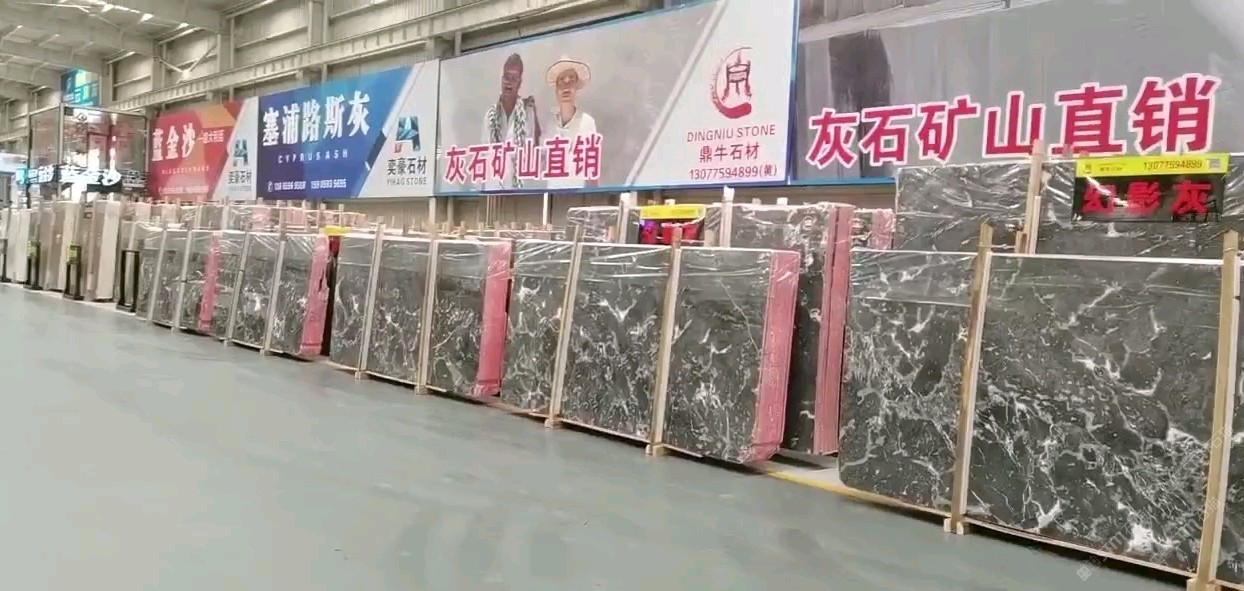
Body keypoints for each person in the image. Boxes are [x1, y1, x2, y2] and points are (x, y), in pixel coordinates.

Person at [481, 53, 541, 190]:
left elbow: (530, 151)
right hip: (492, 187)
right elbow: (484, 154)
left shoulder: (527, 113)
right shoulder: (489, 115)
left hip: (519, 189)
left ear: (519, 82)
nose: (509, 82)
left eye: (514, 78)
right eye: (506, 77)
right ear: (502, 79)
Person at [543, 56, 598, 190]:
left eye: (571, 81)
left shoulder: (587, 123)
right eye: (561, 81)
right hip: (551, 195)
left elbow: (592, 171)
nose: (566, 87)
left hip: (578, 194)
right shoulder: (548, 125)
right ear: (556, 89)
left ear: (576, 87)